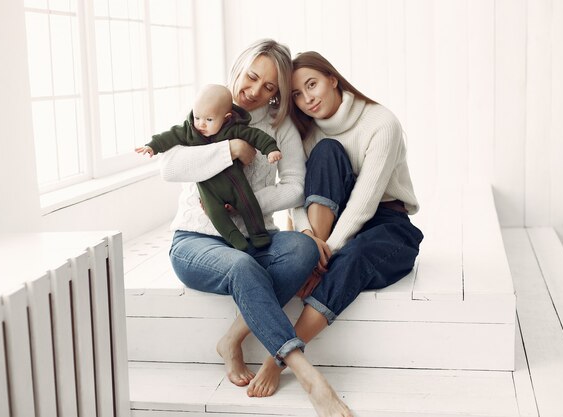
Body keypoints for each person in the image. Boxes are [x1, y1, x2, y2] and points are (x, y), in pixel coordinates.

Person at [159, 40, 352, 417]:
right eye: (251, 77)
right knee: (243, 267)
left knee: (304, 249)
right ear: (239, 67)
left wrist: (243, 208)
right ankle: (307, 375)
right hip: (194, 243)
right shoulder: (209, 106)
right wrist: (227, 150)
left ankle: (232, 338)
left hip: (252, 238)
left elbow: (295, 184)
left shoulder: (278, 127)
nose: (254, 91)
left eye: (269, 88)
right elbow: (168, 167)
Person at [249, 50, 424, 400]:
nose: (306, 98)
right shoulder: (309, 133)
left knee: (354, 256)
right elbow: (299, 195)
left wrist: (319, 255)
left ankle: (279, 355)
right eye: (296, 94)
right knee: (327, 151)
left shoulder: (381, 123)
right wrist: (307, 240)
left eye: (311, 85)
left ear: (333, 78)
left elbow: (365, 202)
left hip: (386, 225)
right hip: (325, 228)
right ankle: (316, 252)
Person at [136, 84, 282, 250]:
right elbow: (169, 136)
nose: (201, 124)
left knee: (249, 205)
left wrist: (271, 149)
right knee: (216, 214)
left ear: (226, 118)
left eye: (209, 120)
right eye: (197, 117)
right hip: (208, 190)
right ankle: (236, 240)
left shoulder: (234, 129)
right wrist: (153, 146)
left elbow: (257, 136)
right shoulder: (190, 130)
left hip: (236, 184)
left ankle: (259, 235)